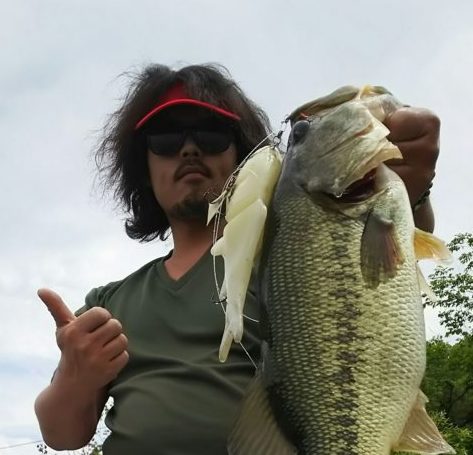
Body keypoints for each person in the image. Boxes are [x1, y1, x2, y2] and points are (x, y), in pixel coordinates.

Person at [34, 63, 440, 454]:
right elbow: (62, 435)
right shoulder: (109, 304)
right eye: (166, 139)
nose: (189, 148)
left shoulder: (291, 254)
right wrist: (75, 376)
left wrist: (413, 188)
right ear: (144, 167)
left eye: (210, 134)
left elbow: (384, 265)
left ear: (244, 154)